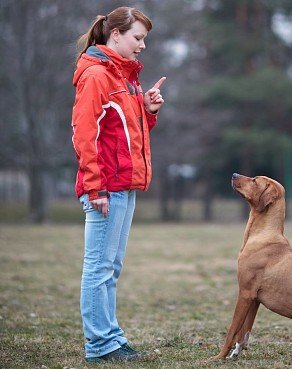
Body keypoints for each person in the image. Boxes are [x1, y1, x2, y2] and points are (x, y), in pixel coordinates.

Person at [71, 6, 165, 363]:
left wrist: (148, 110)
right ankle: (100, 345)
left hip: (123, 185)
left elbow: (126, 134)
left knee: (111, 268)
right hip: (105, 189)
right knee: (98, 268)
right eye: (137, 38)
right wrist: (95, 188)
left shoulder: (126, 77)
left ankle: (110, 337)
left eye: (144, 39)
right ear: (115, 35)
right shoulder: (97, 75)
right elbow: (84, 134)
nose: (142, 46)